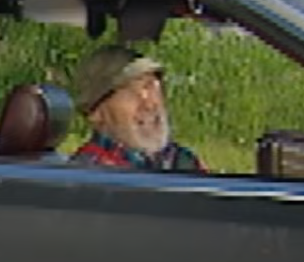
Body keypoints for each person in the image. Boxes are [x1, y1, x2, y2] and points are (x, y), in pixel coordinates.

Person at [68, 45, 207, 172]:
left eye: (152, 87)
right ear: (96, 112)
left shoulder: (184, 161)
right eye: (131, 93)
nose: (150, 104)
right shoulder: (88, 173)